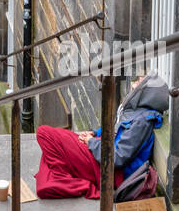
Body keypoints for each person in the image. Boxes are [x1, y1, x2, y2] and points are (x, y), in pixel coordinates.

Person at [34, 73, 169, 199]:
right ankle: (65, 175)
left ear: (147, 92)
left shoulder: (142, 121)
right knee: (58, 141)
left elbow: (118, 157)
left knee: (44, 133)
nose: (137, 80)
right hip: (101, 151)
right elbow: (116, 130)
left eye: (141, 81)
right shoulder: (136, 111)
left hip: (108, 168)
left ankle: (71, 181)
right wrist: (94, 133)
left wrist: (91, 142)